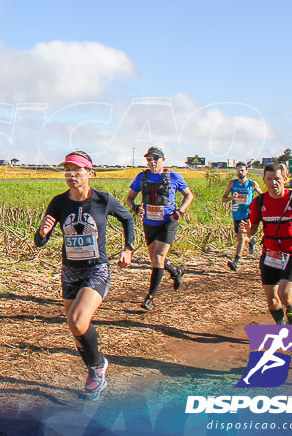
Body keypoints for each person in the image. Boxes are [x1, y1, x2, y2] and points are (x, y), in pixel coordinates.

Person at [35, 151, 136, 400]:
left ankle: (97, 367)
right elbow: (40, 242)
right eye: (67, 170)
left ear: (89, 173)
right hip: (70, 271)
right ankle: (94, 366)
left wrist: (128, 249)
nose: (71, 175)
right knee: (75, 326)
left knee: (78, 321)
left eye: (76, 170)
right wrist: (42, 231)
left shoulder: (104, 200)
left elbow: (128, 219)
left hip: (96, 268)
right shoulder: (59, 203)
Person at [241, 161, 292, 326]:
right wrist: (248, 230)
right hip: (270, 255)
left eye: (277, 179)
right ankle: (281, 326)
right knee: (273, 301)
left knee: (285, 295)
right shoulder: (259, 202)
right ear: (264, 180)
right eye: (269, 179)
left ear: (284, 178)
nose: (273, 183)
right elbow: (254, 228)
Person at [125, 146, 194, 310]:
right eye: (149, 159)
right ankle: (176, 271)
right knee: (156, 259)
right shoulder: (142, 177)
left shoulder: (174, 176)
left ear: (163, 160)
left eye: (155, 159)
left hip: (168, 222)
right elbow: (129, 199)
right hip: (149, 223)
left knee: (157, 257)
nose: (152, 162)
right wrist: (135, 208)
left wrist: (180, 211)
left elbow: (189, 195)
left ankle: (150, 298)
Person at [221, 162, 263, 271]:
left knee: (242, 237)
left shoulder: (252, 183)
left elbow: (262, 196)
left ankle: (235, 261)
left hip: (248, 214)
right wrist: (232, 198)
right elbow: (223, 198)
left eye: (242, 170)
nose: (240, 172)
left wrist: (258, 205)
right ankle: (251, 241)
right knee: (240, 238)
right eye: (238, 170)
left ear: (247, 171)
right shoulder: (232, 183)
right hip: (236, 213)